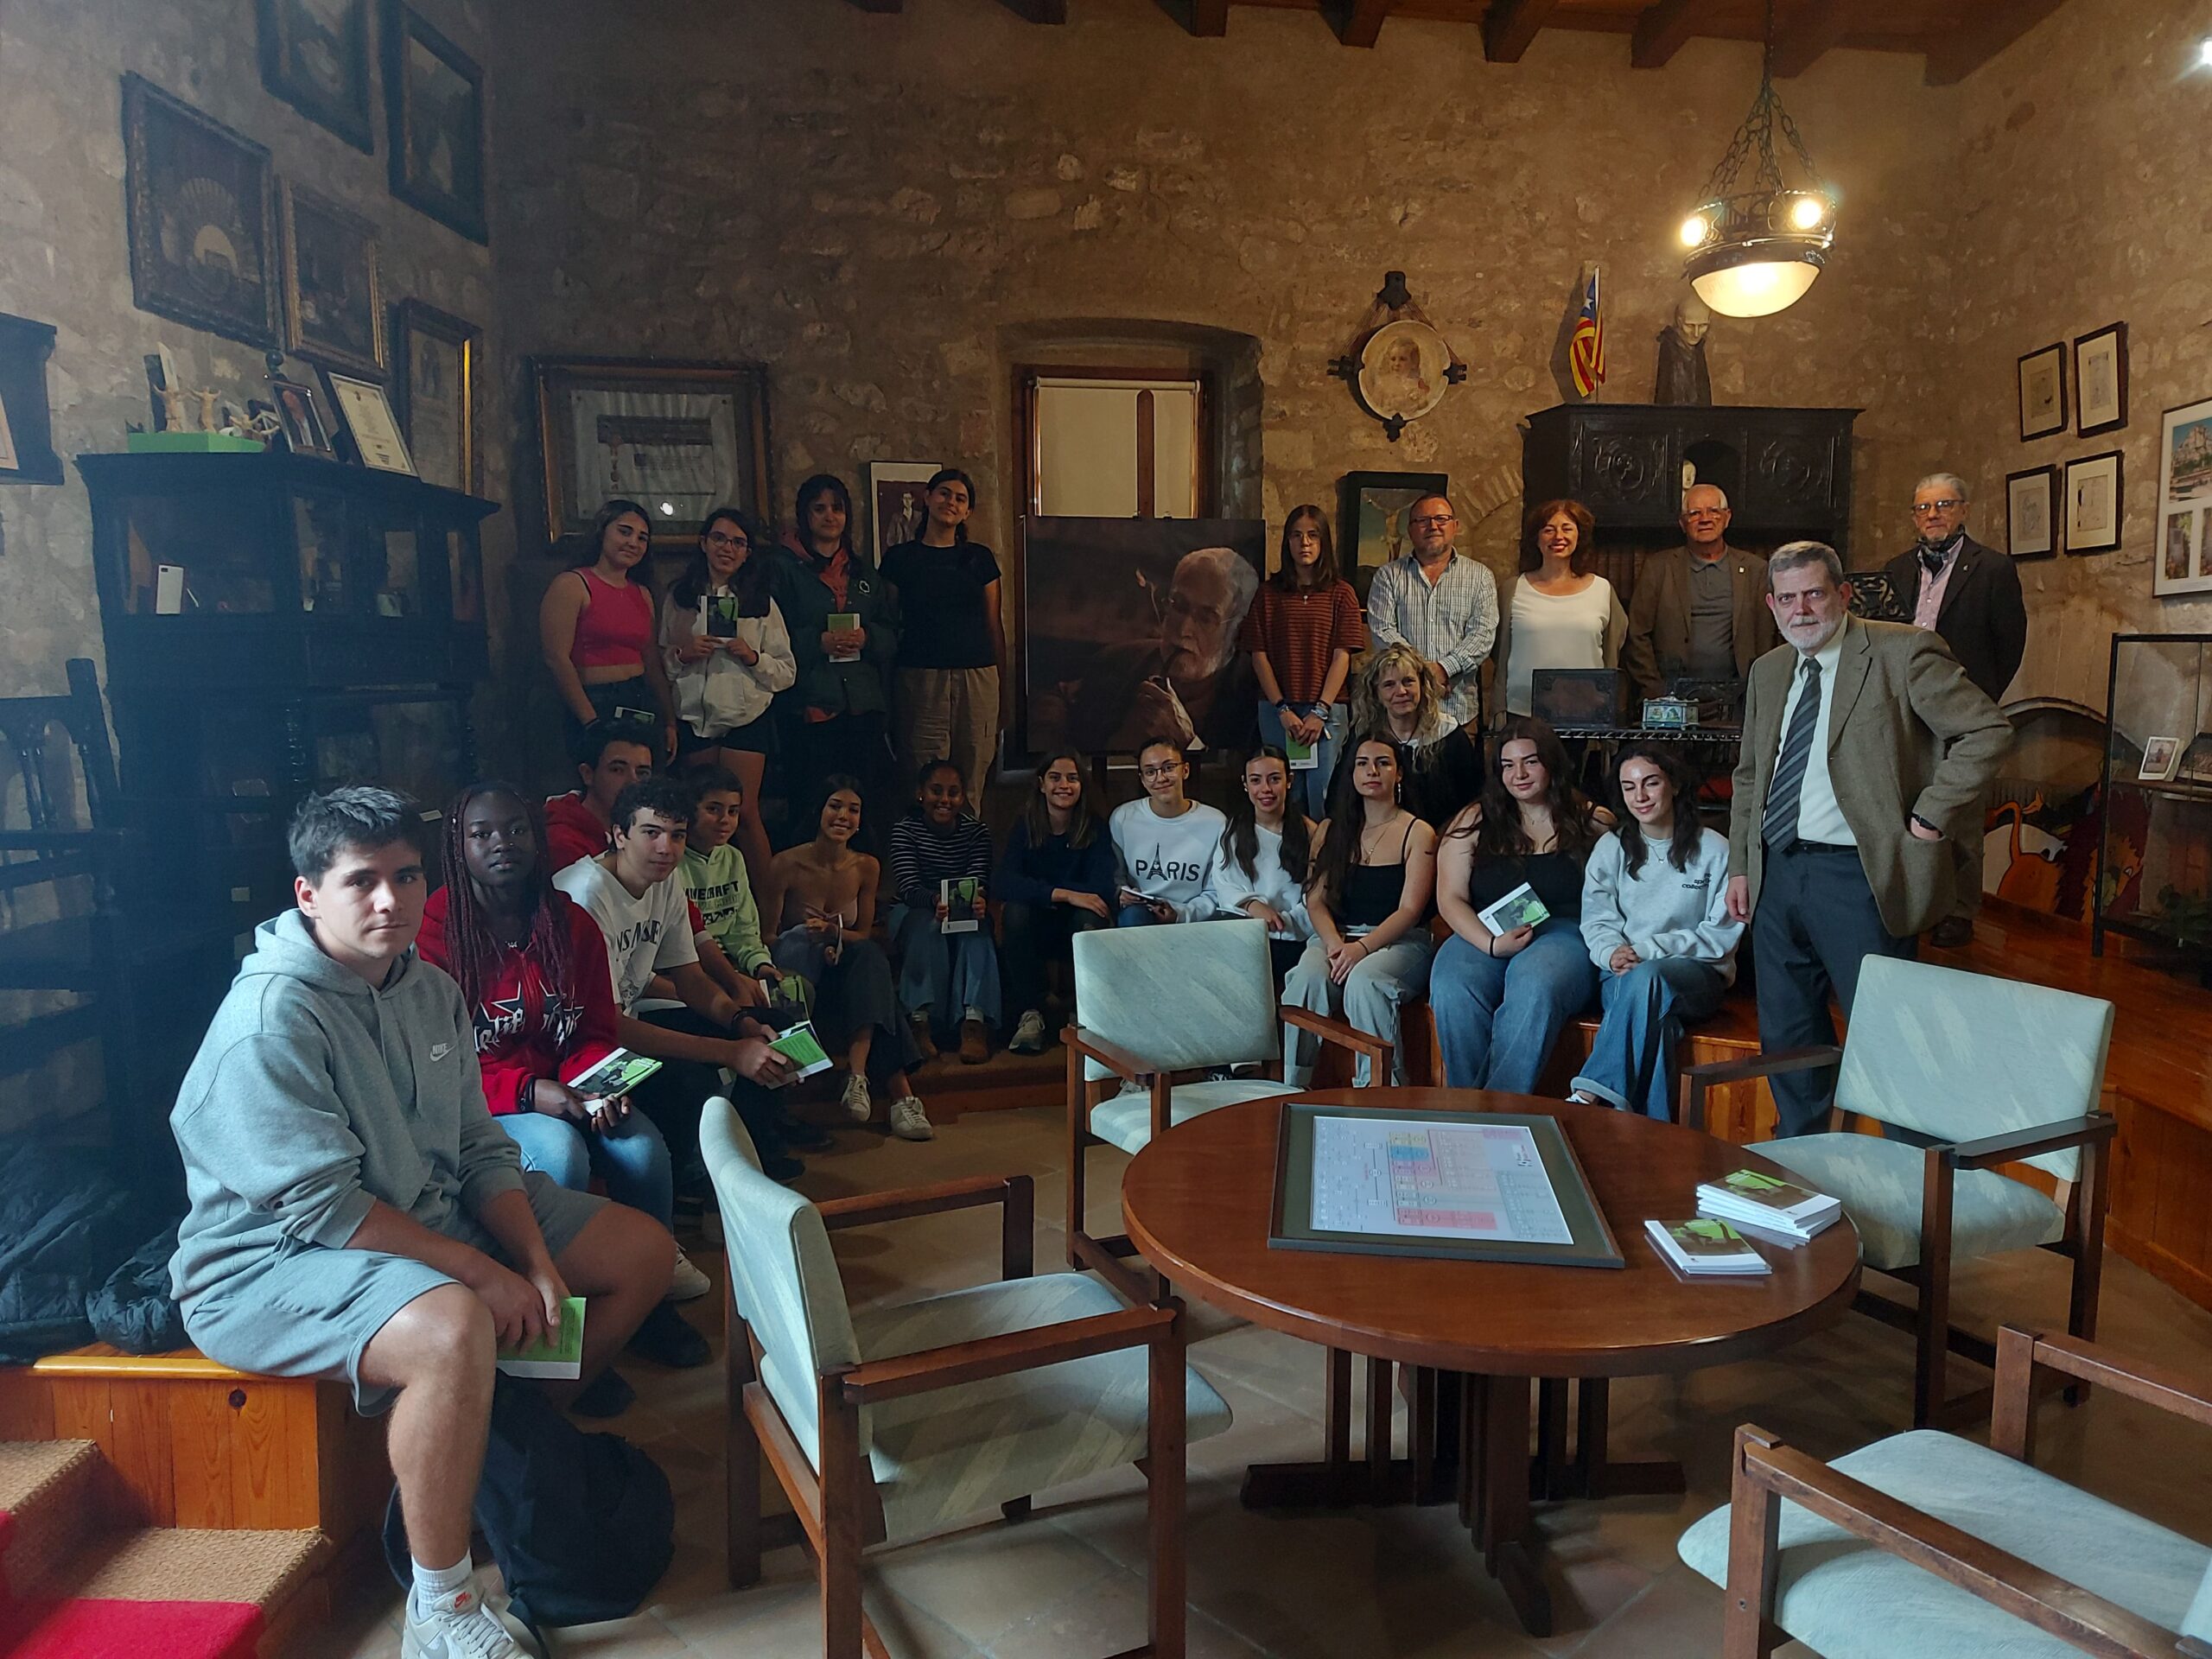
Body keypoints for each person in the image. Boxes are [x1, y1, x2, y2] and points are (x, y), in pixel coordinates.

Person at [168, 788, 672, 1659]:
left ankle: (487, 1463)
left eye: (405, 877)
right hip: (271, 1263)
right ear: (307, 894)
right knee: (452, 1328)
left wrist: (534, 1260)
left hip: (422, 1214)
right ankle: (439, 1607)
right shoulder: (270, 1021)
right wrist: (483, 1272)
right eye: (361, 881)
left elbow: (478, 1145)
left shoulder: (430, 989)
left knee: (643, 1251)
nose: (389, 901)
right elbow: (327, 1208)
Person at [417, 785, 711, 1375]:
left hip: (569, 1086)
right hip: (488, 1102)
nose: (502, 843)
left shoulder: (569, 922)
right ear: (457, 845)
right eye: (481, 834)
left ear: (538, 838)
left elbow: (594, 1028)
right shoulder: (436, 933)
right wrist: (530, 1092)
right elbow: (438, 1060)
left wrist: (595, 1083)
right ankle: (557, 1333)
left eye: (517, 830)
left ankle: (646, 1305)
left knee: (642, 1151)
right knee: (559, 1154)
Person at [1725, 542, 2012, 1136]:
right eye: (1787, 598)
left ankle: (1911, 1169)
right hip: (1777, 872)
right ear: (1771, 605)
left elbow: (1987, 731)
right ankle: (1805, 1157)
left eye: (1814, 594)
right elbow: (1750, 775)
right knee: (1787, 1034)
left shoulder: (1903, 652)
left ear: (1843, 594)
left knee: (1886, 1035)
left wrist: (1931, 815)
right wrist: (1742, 865)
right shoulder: (1768, 670)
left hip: (1859, 877)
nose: (1801, 610)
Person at [554, 775, 816, 1185]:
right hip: (580, 1046)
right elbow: (610, 1025)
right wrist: (730, 1052)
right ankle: (684, 1181)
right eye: (651, 833)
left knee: (774, 1029)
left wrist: (741, 1022)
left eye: (677, 835)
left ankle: (750, 1161)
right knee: (692, 1077)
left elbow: (690, 977)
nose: (666, 847)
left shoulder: (664, 880)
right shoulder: (586, 895)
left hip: (625, 1019)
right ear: (619, 835)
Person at [1878, 473, 2029, 948]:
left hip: (1959, 705)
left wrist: (1978, 701)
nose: (1933, 515)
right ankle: (1911, 902)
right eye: (1923, 507)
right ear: (1914, 517)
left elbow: (2010, 643)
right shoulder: (1895, 569)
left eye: (1943, 505)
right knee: (1907, 804)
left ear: (1964, 510)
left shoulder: (1993, 569)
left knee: (1960, 813)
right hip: (1902, 706)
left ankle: (1959, 910)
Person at [1430, 716, 1606, 1092]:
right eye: (1508, 765)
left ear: (1552, 764)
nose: (1519, 774)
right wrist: (1490, 944)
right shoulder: (1475, 819)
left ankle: (1501, 1105)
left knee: (1534, 980)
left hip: (1564, 932)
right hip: (1486, 929)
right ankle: (1468, 1103)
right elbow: (1450, 897)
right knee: (1451, 983)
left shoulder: (1590, 820)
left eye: (1531, 762)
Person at [1567, 745, 1743, 1120]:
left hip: (1696, 976)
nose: (1640, 796)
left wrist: (1646, 951)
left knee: (1648, 979)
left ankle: (1589, 1092)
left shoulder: (1715, 850)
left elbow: (1720, 937)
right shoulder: (1611, 847)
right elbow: (1596, 919)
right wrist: (1611, 952)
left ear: (1674, 785)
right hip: (1621, 973)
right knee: (1660, 1025)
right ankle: (1650, 1133)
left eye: (1651, 783)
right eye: (1629, 787)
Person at [761, 774, 933, 1142]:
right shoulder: (785, 863)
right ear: (819, 811)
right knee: (874, 989)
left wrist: (833, 936)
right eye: (835, 806)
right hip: (797, 980)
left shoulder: (866, 866)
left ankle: (856, 1078)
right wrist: (808, 940)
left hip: (842, 974)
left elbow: (864, 933)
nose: (843, 816)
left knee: (869, 955)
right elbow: (767, 937)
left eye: (853, 810)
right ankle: (902, 1095)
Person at [1282, 736, 1438, 1087]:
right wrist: (1335, 945)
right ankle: (1294, 1084)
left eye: (1383, 763)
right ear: (1351, 773)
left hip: (1399, 942)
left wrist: (1361, 949)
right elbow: (1315, 900)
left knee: (1366, 982)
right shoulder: (1330, 830)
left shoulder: (1418, 832)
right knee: (1307, 977)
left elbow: (1410, 910)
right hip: (1336, 937)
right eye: (1362, 763)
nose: (1372, 771)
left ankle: (1381, 1089)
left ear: (1399, 773)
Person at [661, 506, 793, 884]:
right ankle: (700, 899)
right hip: (694, 719)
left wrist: (752, 657)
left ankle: (767, 904)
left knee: (744, 814)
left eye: (738, 542)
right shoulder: (679, 597)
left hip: (745, 717)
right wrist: (683, 654)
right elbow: (659, 660)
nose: (728, 548)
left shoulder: (761, 602)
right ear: (704, 542)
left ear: (747, 552)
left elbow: (786, 672)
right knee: (700, 815)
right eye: (719, 538)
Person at [770, 474, 901, 849]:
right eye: (820, 508)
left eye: (837, 508)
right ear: (805, 514)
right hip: (811, 703)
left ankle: (860, 879)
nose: (830, 516)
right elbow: (768, 637)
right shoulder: (782, 568)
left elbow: (892, 633)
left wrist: (868, 637)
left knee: (864, 803)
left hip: (862, 705)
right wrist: (818, 641)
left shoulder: (864, 572)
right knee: (810, 803)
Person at [1045, 545, 1262, 755]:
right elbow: (1057, 697)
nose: (1184, 629)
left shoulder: (1255, 702)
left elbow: (1245, 773)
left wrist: (1189, 744)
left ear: (1238, 631)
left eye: (1206, 618)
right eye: (1179, 606)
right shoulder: (1119, 660)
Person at [881, 468, 1004, 807]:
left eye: (960, 498)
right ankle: (923, 842)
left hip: (977, 677)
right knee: (923, 776)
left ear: (968, 512)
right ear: (928, 497)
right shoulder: (900, 559)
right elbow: (888, 625)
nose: (951, 502)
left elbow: (994, 625)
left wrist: (1003, 692)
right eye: (944, 493)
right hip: (920, 680)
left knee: (973, 772)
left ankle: (970, 840)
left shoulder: (979, 559)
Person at [1240, 505, 1368, 817]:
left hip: (1327, 711)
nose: (1304, 543)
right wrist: (1282, 709)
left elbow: (1342, 655)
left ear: (1324, 541)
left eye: (1313, 535)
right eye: (1296, 535)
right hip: (1278, 711)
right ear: (1287, 542)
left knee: (1324, 794)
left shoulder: (1341, 594)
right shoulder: (1268, 594)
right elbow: (1258, 655)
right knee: (1284, 795)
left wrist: (1320, 711)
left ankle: (1324, 849)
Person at [539, 498, 678, 761]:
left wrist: (669, 719)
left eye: (642, 538)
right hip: (596, 699)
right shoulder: (572, 584)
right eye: (624, 532)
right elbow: (556, 658)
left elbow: (651, 660)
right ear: (602, 532)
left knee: (645, 780)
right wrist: (590, 720)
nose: (633, 543)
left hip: (640, 698)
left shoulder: (642, 593)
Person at [995, 750, 1116, 1053]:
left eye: (1072, 778)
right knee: (1014, 912)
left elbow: (1101, 886)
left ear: (1082, 785)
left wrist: (1053, 893)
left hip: (1077, 921)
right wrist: (1064, 894)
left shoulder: (1095, 827)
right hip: (1038, 920)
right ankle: (1031, 1013)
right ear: (1041, 784)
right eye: (1055, 777)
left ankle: (1083, 1013)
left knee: (1091, 916)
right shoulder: (1025, 825)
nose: (1064, 785)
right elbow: (1005, 881)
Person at [886, 759, 1002, 1065]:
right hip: (914, 907)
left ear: (963, 797)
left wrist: (977, 899)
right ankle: (920, 1021)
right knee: (927, 926)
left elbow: (979, 879)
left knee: (978, 928)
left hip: (962, 906)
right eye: (936, 791)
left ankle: (974, 1022)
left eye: (953, 792)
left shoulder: (976, 832)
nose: (945, 800)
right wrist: (936, 901)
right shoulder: (905, 830)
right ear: (921, 793)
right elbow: (909, 887)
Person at [1621, 484, 1776, 702]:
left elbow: (1767, 636)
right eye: (1695, 513)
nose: (1705, 519)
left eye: (1713, 511)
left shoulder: (1756, 570)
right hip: (1671, 697)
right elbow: (1637, 634)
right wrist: (1656, 689)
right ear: (1682, 523)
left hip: (1739, 697)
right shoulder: (1658, 568)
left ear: (1727, 517)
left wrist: (1757, 689)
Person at [1364, 492, 1498, 733]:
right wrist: (1422, 673)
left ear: (1455, 526)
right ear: (1410, 530)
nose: (1433, 526)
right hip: (1402, 714)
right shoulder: (1388, 576)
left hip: (1458, 710)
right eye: (1423, 520)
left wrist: (1444, 669)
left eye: (1441, 519)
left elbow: (1482, 635)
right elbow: (1382, 630)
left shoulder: (1480, 577)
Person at [1492, 499, 1627, 722]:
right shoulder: (1513, 589)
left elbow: (1613, 648)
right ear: (1536, 538)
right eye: (1548, 530)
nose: (1558, 537)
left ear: (1579, 537)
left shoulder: (1602, 589)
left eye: (1567, 529)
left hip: (1586, 713)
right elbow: (1498, 647)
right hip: (1522, 711)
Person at [679, 771, 802, 1012]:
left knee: (796, 991)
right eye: (713, 809)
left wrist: (760, 964)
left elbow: (743, 929)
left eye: (733, 811)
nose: (724, 820)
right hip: (694, 969)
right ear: (689, 810)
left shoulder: (733, 858)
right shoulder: (672, 861)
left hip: (734, 962)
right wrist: (731, 978)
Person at [1206, 746, 1316, 987]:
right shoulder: (1233, 832)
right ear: (1245, 784)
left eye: (1274, 779)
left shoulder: (1311, 833)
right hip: (1248, 932)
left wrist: (1284, 922)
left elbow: (1316, 895)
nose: (1265, 789)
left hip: (1295, 936)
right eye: (1256, 780)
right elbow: (1225, 883)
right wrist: (1251, 905)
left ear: (1289, 780)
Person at [1354, 641, 1484, 832]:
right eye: (1389, 685)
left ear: (1422, 685)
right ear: (1376, 693)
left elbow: (1474, 800)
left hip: (1446, 837)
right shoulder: (1365, 739)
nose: (1401, 692)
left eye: (1408, 681)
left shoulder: (1449, 735)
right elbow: (1342, 800)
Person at [1109, 737, 1230, 925]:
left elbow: (1216, 891)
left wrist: (1181, 914)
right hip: (1140, 914)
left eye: (1169, 768)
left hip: (1192, 920)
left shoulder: (1215, 822)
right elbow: (1116, 877)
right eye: (1150, 772)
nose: (1161, 778)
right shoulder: (1123, 817)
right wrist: (1121, 893)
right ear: (1142, 779)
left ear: (1185, 770)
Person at [544, 721, 656, 873]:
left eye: (642, 773)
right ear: (588, 774)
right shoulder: (562, 842)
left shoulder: (651, 831)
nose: (633, 782)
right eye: (618, 770)